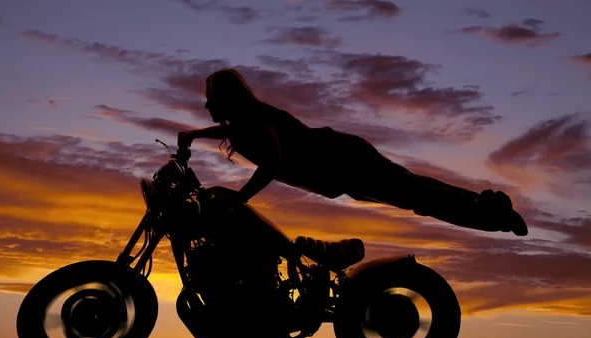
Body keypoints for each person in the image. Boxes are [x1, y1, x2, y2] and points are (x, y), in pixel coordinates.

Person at [178, 68, 528, 236]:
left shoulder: (251, 118)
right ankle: (487, 207)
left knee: (416, 195)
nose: (207, 106)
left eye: (210, 99)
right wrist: (194, 135)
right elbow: (229, 130)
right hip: (342, 162)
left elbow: (271, 162)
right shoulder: (243, 120)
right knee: (415, 189)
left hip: (343, 160)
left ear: (225, 99)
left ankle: (494, 215)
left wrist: (241, 199)